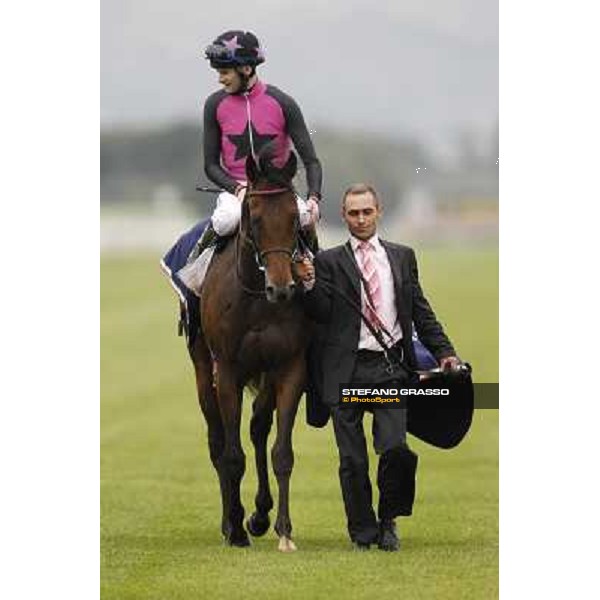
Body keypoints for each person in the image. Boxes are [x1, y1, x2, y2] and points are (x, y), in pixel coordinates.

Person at [296, 183, 461, 551]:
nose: (360, 219)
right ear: (344, 216)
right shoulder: (328, 262)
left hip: (389, 369)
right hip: (345, 372)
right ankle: (363, 531)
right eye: (353, 213)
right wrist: (307, 284)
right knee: (353, 461)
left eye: (366, 211)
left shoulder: (403, 257)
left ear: (378, 211)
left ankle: (389, 520)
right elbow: (319, 313)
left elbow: (420, 310)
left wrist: (445, 352)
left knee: (395, 450)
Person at [178, 30, 323, 290]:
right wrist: (239, 188)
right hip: (237, 190)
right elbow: (210, 165)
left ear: (246, 68)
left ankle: (318, 277)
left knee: (303, 216)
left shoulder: (283, 102)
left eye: (224, 72)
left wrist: (314, 198)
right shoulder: (214, 105)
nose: (220, 79)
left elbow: (311, 160)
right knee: (226, 220)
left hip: (278, 190)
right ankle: (196, 283)